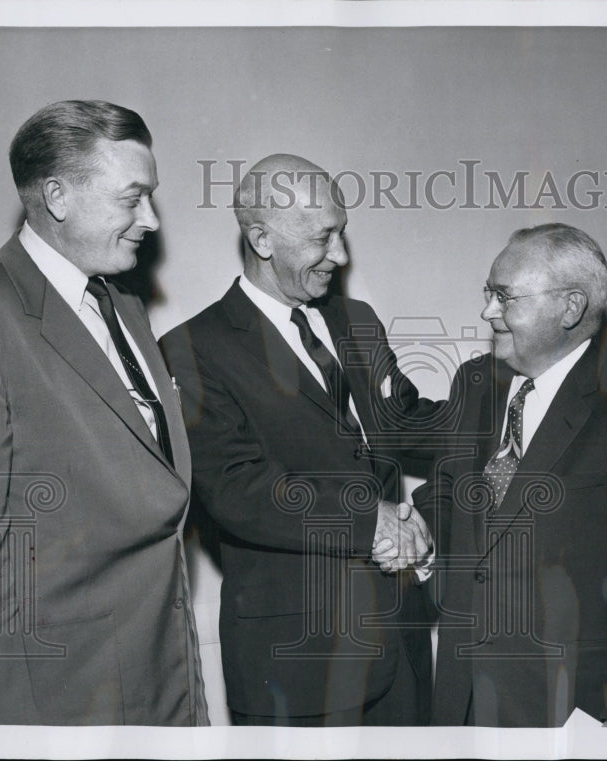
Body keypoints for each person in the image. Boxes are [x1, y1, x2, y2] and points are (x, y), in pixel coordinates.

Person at [0, 100, 207, 725]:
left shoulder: (124, 308)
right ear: (58, 197)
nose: (150, 219)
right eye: (132, 198)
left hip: (159, 680)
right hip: (56, 701)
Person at [159, 154, 443, 726]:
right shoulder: (193, 349)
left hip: (399, 647)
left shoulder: (357, 320)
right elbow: (238, 490)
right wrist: (373, 522)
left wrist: (516, 396)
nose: (340, 255)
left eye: (342, 233)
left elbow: (406, 419)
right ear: (261, 239)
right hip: (297, 665)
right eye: (323, 237)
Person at [414, 223, 607, 727]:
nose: (487, 312)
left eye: (504, 297)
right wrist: (417, 532)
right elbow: (452, 494)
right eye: (488, 293)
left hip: (569, 714)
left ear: (570, 307)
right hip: (461, 704)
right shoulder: (474, 384)